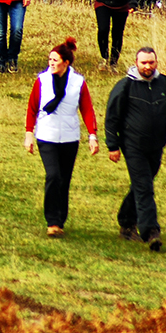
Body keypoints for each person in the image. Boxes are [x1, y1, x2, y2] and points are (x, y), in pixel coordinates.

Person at [106, 46, 166, 252]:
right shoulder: (125, 86)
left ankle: (126, 222)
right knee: (144, 187)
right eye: (143, 63)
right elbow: (112, 117)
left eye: (151, 62)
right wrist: (113, 145)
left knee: (142, 184)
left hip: (156, 145)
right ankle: (151, 232)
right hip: (133, 146)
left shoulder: (165, 84)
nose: (147, 66)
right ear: (136, 63)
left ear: (156, 62)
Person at [23, 38, 99, 237]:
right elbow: (32, 108)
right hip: (46, 136)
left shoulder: (78, 82)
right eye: (50, 59)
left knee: (64, 180)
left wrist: (92, 135)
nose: (51, 63)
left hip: (69, 137)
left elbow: (87, 109)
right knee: (53, 176)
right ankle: (52, 220)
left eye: (55, 60)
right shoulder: (42, 80)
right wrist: (29, 133)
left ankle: (60, 220)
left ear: (66, 62)